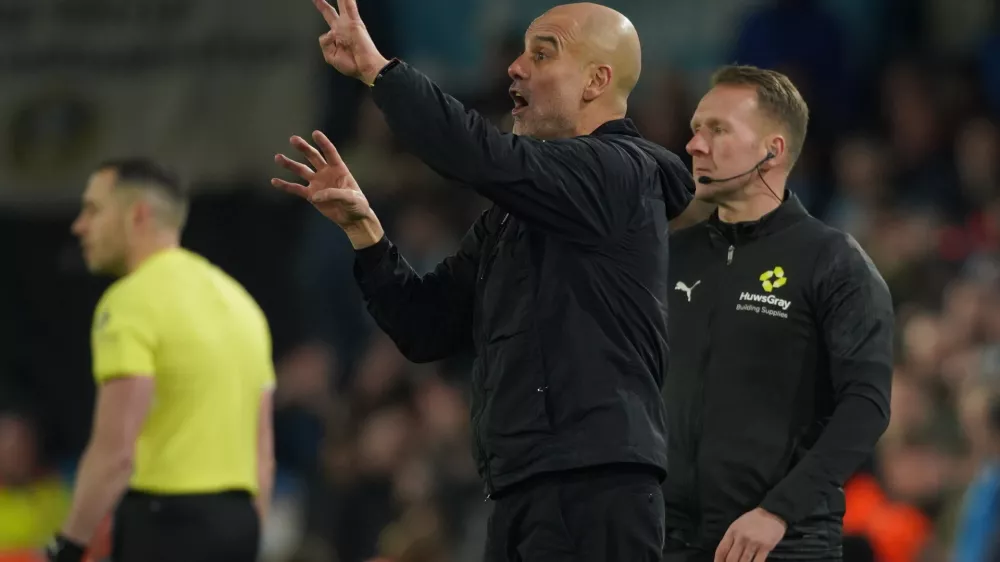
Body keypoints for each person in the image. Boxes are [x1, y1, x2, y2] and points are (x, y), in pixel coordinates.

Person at [271, 1, 695, 560]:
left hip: (595, 489)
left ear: (598, 80)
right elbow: (425, 328)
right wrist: (365, 233)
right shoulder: (511, 219)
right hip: (519, 487)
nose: (515, 67)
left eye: (542, 53)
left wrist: (380, 71)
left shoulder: (623, 173)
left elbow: (481, 155)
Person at [661, 65, 894, 562]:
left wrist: (778, 513)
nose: (695, 145)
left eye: (718, 130)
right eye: (696, 129)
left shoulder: (832, 260)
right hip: (668, 544)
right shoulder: (668, 256)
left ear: (773, 150)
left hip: (784, 545)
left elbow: (866, 405)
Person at [47, 158, 275, 562]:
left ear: (137, 215)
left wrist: (68, 546)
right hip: (239, 528)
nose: (79, 226)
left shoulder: (130, 301)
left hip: (166, 525)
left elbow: (115, 452)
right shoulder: (242, 305)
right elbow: (263, 455)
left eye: (94, 210)